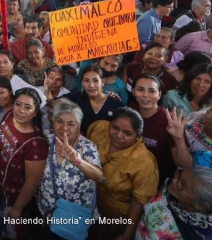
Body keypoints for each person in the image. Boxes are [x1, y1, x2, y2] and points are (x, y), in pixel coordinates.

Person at [87, 107, 159, 240]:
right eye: (115, 128)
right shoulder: (99, 129)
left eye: (127, 133)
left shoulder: (144, 162)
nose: (118, 135)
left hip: (116, 218)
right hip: (87, 203)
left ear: (137, 136)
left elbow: (139, 201)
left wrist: (127, 234)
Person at [36, 99, 102, 238]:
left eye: (71, 123)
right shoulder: (46, 138)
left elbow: (99, 177)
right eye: (59, 121)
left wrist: (78, 161)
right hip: (47, 211)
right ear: (53, 122)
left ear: (79, 125)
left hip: (73, 217)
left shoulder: (87, 147)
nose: (64, 127)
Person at [0, 87, 47, 240]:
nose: (21, 110)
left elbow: (31, 184)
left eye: (28, 107)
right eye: (18, 104)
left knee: (13, 229)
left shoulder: (36, 144)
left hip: (14, 198)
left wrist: (17, 208)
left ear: (35, 113)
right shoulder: (9, 115)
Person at [136, 166, 212, 240]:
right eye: (179, 175)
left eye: (182, 185)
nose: (174, 181)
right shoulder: (170, 188)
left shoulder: (202, 235)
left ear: (200, 205)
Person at [130, 74, 176, 184]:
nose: (145, 95)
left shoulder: (169, 121)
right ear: (133, 91)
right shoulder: (131, 110)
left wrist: (178, 138)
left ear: (159, 94)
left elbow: (184, 164)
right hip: (131, 171)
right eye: (140, 89)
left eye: (151, 91)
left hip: (158, 179)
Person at [64, 65, 123, 135]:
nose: (91, 85)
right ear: (82, 83)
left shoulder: (115, 103)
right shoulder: (76, 97)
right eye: (86, 81)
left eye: (95, 80)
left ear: (103, 82)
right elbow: (55, 104)